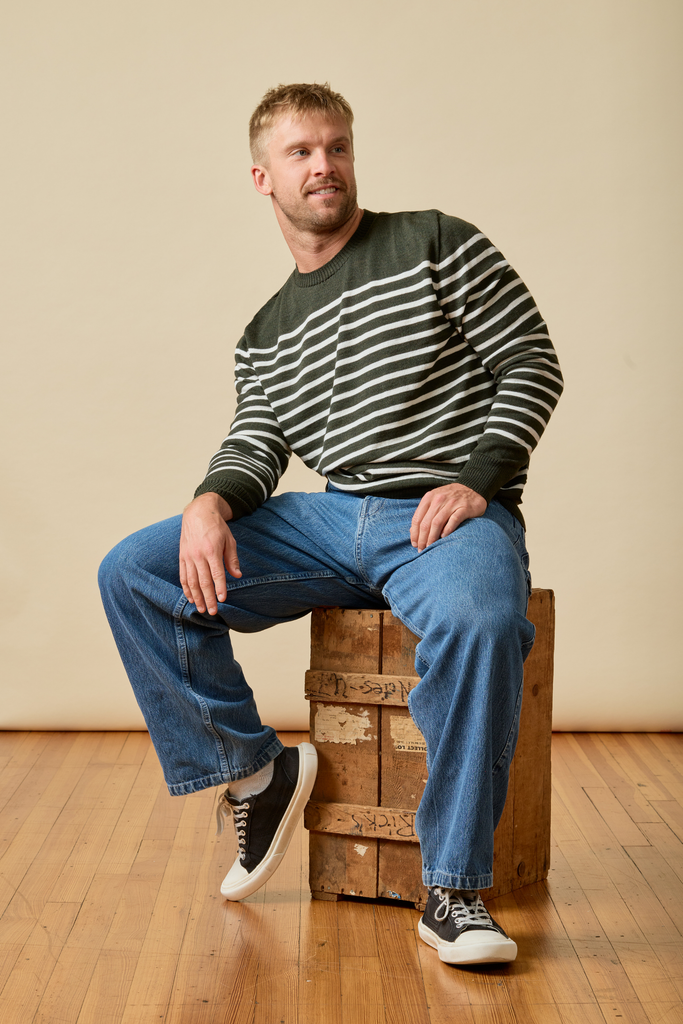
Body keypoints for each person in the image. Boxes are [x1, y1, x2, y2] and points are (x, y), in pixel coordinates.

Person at [99, 82, 563, 966]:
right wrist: (208, 502)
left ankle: (453, 892)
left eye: (337, 147)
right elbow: (255, 444)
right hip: (328, 521)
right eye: (302, 153)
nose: (324, 166)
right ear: (261, 176)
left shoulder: (435, 241)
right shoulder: (266, 331)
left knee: (483, 622)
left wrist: (477, 481)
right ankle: (256, 774)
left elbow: (531, 362)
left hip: (442, 521)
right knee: (134, 570)